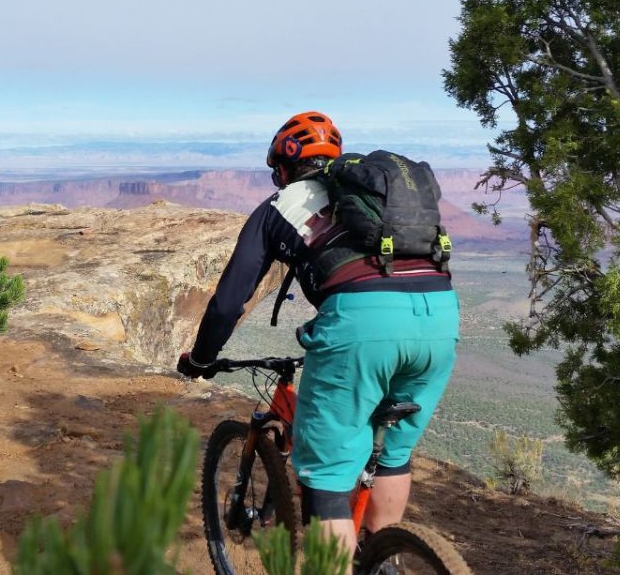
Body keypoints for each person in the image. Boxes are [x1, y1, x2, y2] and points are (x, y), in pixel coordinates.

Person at [176, 111, 459, 555]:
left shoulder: (277, 207)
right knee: (392, 456)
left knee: (326, 479)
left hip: (362, 321)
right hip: (440, 314)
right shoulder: (373, 198)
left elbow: (228, 302)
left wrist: (201, 358)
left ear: (284, 167)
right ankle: (381, 559)